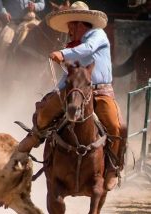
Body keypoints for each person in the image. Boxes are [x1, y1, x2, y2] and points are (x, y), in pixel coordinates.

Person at [18, 1, 125, 191]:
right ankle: (35, 136)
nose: (69, 31)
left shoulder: (96, 36)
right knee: (47, 108)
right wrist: (55, 92)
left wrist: (63, 52)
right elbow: (68, 76)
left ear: (79, 23)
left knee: (117, 126)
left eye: (70, 26)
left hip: (100, 92)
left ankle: (112, 169)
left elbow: (88, 49)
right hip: (75, 90)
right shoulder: (74, 45)